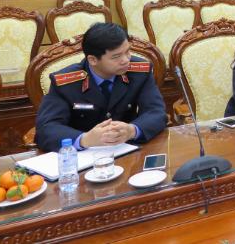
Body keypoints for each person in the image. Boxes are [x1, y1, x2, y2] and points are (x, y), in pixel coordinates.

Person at [35, 23, 166, 152]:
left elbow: (156, 112)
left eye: (127, 52)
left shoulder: (140, 71)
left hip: (127, 149)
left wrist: (132, 130)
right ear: (93, 60)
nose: (126, 60)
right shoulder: (65, 83)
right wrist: (84, 139)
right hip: (84, 155)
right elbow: (46, 128)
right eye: (116, 56)